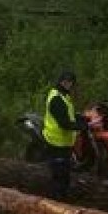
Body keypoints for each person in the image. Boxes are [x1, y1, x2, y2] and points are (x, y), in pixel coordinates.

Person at [42, 68, 85, 199]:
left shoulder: (63, 95)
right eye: (65, 81)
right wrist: (82, 127)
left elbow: (68, 116)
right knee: (59, 176)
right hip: (57, 143)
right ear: (60, 81)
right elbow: (64, 124)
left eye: (70, 82)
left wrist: (81, 119)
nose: (68, 84)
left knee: (64, 175)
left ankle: (61, 201)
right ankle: (56, 204)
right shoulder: (57, 99)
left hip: (63, 143)